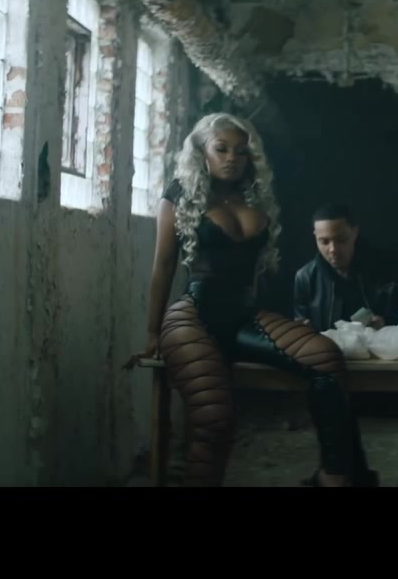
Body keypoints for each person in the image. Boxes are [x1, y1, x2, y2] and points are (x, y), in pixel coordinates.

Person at [129, 112, 370, 487]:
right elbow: (163, 266)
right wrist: (151, 331)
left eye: (240, 152)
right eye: (221, 149)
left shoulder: (254, 195)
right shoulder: (180, 193)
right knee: (215, 419)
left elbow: (256, 275)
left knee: (326, 359)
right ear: (202, 152)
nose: (232, 158)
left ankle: (332, 477)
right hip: (192, 317)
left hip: (244, 315)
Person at [293, 202, 398, 487]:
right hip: (342, 376)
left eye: (341, 239)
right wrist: (303, 332)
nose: (333, 249)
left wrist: (390, 323)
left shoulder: (388, 266)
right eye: (324, 241)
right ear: (314, 238)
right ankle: (357, 476)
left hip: (393, 373)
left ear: (355, 232)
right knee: (328, 397)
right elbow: (301, 329)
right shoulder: (306, 278)